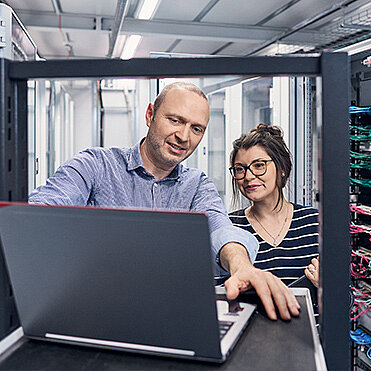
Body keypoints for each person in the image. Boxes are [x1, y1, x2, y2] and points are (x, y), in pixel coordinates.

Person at [29, 82, 300, 320]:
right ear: (150, 115)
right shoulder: (96, 166)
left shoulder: (197, 186)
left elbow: (220, 230)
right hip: (95, 313)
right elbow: (40, 213)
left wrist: (241, 266)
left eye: (196, 128)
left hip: (171, 318)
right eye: (175, 120)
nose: (184, 136)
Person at [228, 124, 319, 288]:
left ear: (282, 168)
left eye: (259, 165)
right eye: (240, 169)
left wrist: (327, 288)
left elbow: (348, 301)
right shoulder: (229, 227)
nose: (248, 176)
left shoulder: (315, 222)